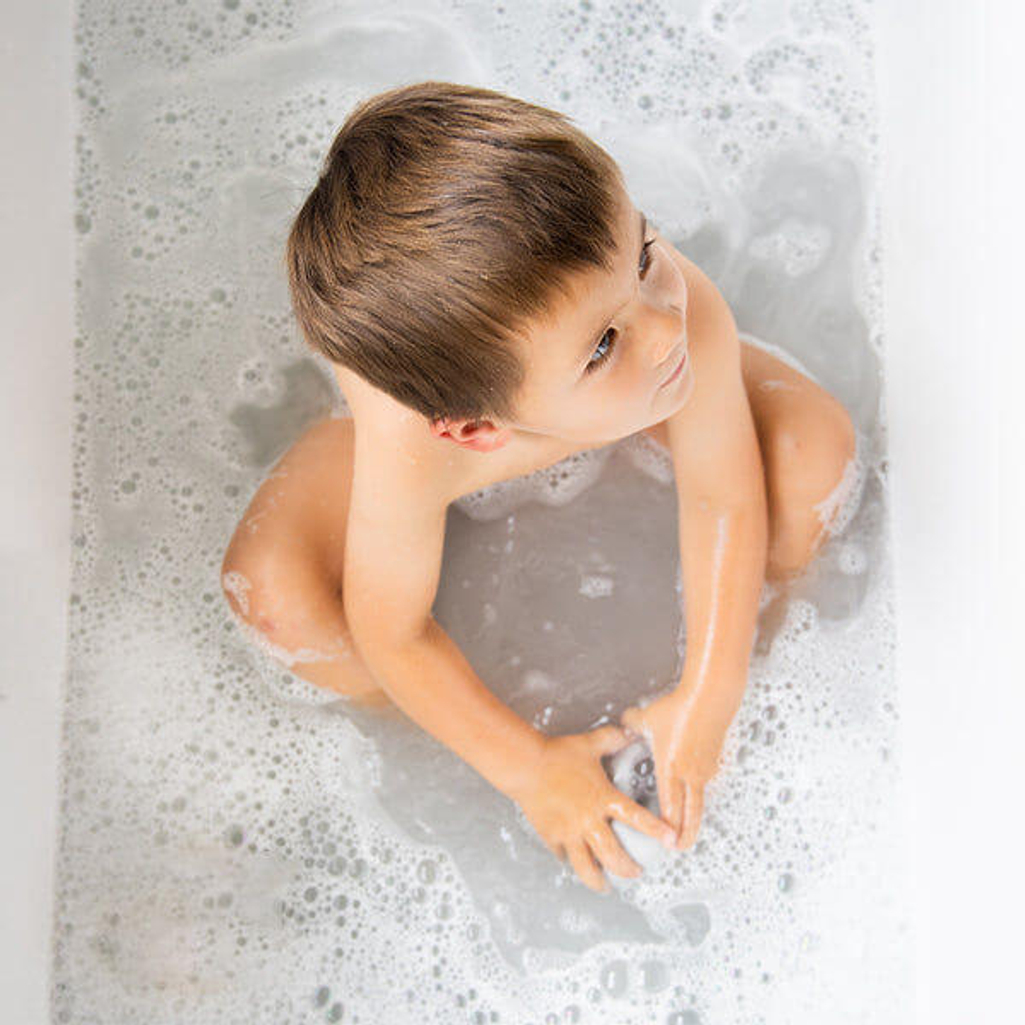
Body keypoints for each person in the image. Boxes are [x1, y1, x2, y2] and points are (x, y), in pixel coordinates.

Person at [220, 81, 857, 895]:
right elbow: (394, 634)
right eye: (603, 344)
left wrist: (711, 689)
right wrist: (527, 768)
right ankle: (432, 720)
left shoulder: (674, 310)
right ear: (478, 431)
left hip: (589, 401)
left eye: (643, 252)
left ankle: (750, 624)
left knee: (815, 454)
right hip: (433, 432)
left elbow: (721, 495)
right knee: (275, 598)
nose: (667, 323)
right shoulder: (415, 452)